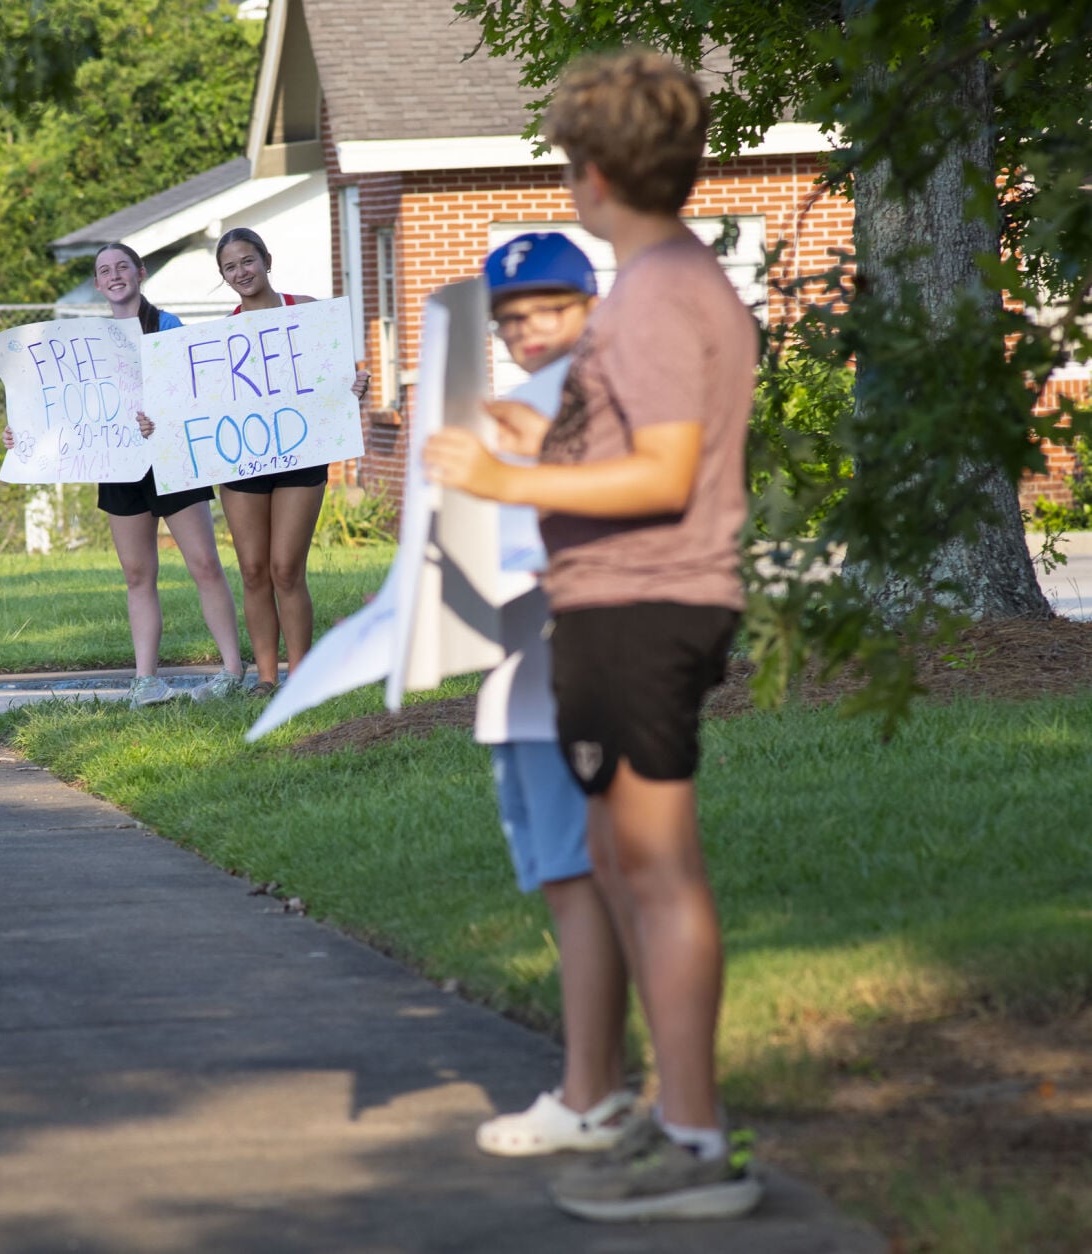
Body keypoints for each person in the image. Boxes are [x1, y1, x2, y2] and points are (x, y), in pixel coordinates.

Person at [423, 50, 763, 1222]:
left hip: (641, 605)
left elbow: (665, 472)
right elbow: (642, 440)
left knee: (656, 872)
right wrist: (546, 436)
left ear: (598, 174)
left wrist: (505, 479)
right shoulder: (663, 284)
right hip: (616, 605)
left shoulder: (658, 293)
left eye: (571, 164)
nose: (570, 183)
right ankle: (666, 1120)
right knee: (621, 865)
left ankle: (695, 1140)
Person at [469, 233, 639, 1161]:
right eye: (510, 317)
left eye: (549, 308)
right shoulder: (517, 404)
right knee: (564, 885)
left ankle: (590, 1094)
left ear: (589, 306)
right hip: (516, 680)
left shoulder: (593, 403)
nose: (527, 328)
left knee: (583, 887)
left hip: (569, 678)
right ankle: (595, 1086)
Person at [2, 242, 246, 707]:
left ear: (140, 272)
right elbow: (54, 408)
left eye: (122, 267)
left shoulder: (167, 326)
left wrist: (162, 416)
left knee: (204, 564)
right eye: (104, 271)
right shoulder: (83, 344)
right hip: (118, 463)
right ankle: (145, 681)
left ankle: (233, 671)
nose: (114, 276)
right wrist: (22, 434)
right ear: (97, 284)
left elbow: (191, 391)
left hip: (171, 459)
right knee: (137, 573)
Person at [211, 227, 369, 697]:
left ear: (267, 260)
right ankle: (266, 678)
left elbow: (337, 380)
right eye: (230, 267)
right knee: (253, 570)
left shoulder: (308, 312)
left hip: (301, 454)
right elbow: (200, 403)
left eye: (247, 260)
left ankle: (300, 679)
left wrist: (353, 388)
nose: (241, 272)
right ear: (224, 276)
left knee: (285, 569)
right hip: (242, 460)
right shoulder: (220, 336)